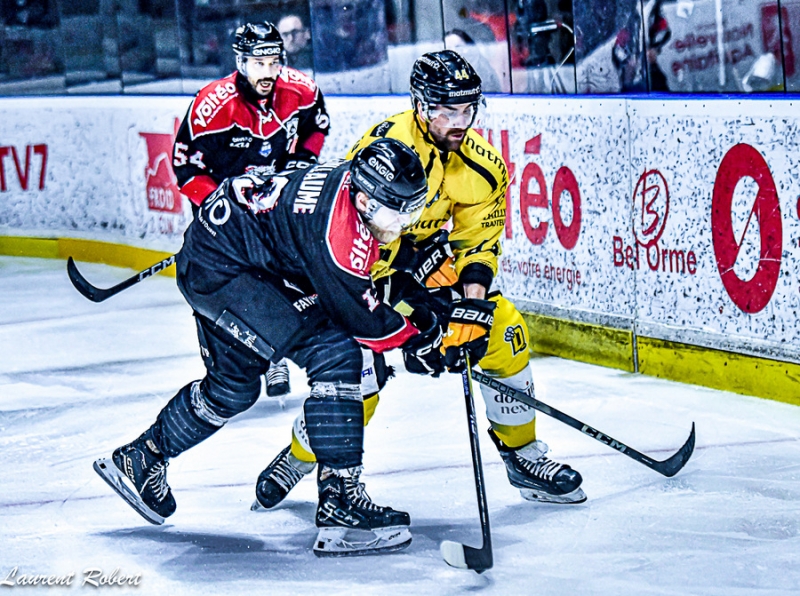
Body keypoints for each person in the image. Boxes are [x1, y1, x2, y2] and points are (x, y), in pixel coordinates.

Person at [253, 50, 586, 512]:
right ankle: (300, 455)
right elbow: (353, 231)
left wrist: (471, 309)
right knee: (359, 381)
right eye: (447, 110)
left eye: (467, 109)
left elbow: (478, 244)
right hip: (352, 277)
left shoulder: (483, 168)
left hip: (412, 276)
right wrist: (413, 292)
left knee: (505, 329)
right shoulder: (386, 146)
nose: (459, 121)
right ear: (421, 104)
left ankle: (523, 455)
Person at [94, 138, 446, 556]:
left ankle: (141, 458)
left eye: (412, 211)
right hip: (228, 272)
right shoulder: (337, 231)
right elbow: (365, 323)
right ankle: (340, 503)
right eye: (397, 212)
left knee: (232, 388)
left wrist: (409, 266)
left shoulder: (349, 189)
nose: (403, 223)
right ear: (366, 200)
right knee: (335, 352)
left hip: (220, 260)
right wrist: (422, 338)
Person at [172, 21, 330, 398]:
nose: (268, 72)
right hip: (223, 212)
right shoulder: (212, 105)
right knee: (223, 284)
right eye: (259, 63)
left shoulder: (301, 90)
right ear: (240, 62)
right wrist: (219, 202)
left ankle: (275, 357)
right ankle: (226, 364)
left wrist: (298, 165)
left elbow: (318, 126)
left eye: (274, 62)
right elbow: (185, 166)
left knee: (276, 277)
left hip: (272, 204)